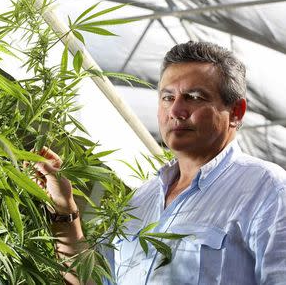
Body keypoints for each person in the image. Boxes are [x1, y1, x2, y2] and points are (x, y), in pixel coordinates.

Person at [34, 41, 286, 284]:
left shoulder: (268, 190)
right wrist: (63, 209)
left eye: (194, 97)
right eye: (167, 97)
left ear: (236, 112)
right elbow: (93, 279)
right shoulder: (141, 198)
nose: (176, 111)